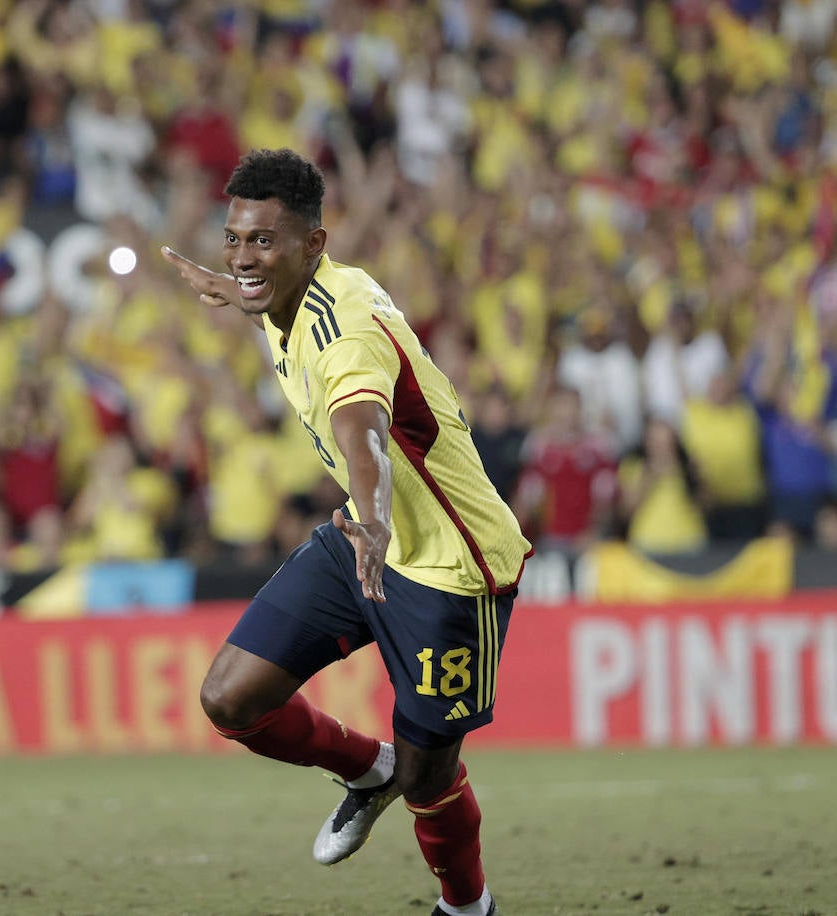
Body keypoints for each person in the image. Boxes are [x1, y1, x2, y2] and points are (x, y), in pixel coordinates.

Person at [162, 148, 529, 916]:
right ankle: (367, 770)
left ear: (313, 245)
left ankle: (469, 910)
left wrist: (372, 518)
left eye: (262, 241)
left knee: (432, 781)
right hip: (364, 540)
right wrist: (236, 290)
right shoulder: (298, 293)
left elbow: (362, 431)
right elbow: (277, 298)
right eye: (234, 237)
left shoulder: (343, 333)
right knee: (231, 699)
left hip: (448, 566)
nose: (242, 255)